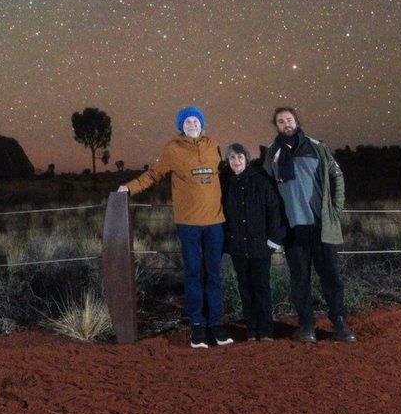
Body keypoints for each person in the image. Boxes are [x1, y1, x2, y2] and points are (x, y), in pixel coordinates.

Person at [118, 106, 230, 348]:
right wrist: (130, 187)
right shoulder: (172, 148)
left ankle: (216, 324)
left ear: (202, 124)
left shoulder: (214, 145)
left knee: (214, 274)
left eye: (196, 120)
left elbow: (228, 171)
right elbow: (154, 175)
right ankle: (198, 325)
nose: (192, 124)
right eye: (187, 121)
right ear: (181, 126)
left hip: (215, 223)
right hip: (188, 223)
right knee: (192, 273)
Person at [261, 106, 357, 343]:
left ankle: (340, 324)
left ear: (297, 121)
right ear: (277, 126)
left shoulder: (317, 147)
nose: (286, 124)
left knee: (331, 278)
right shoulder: (272, 153)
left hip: (320, 225)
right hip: (293, 229)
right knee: (300, 281)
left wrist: (336, 210)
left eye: (289, 119)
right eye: (281, 121)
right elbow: (268, 189)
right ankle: (307, 327)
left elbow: (337, 177)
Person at [220, 143, 285, 341]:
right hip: (238, 246)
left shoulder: (260, 181)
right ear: (228, 161)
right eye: (232, 158)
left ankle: (266, 330)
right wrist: (227, 243)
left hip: (260, 245)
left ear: (247, 159)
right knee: (245, 288)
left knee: (262, 288)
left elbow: (274, 209)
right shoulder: (226, 183)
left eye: (240, 157)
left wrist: (273, 241)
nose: (236, 161)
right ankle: (251, 329)